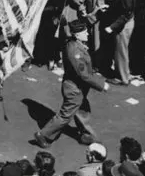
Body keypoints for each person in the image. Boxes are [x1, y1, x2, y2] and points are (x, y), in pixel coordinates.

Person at [33, 18, 107, 148]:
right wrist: (101, 85)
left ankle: (86, 134)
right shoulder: (75, 51)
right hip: (74, 89)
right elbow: (83, 74)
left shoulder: (76, 44)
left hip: (77, 87)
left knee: (83, 109)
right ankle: (43, 135)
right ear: (77, 34)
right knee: (65, 116)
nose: (88, 34)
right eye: (85, 32)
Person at [103, 0, 138, 85]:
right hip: (126, 22)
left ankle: (122, 77)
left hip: (123, 25)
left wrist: (111, 27)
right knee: (121, 50)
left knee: (120, 51)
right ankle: (125, 73)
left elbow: (125, 15)